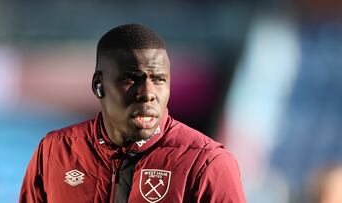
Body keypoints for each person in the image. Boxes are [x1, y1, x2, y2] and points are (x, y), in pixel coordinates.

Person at [19, 23, 246, 203]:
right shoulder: (54, 151)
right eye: (131, 79)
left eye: (159, 80)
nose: (148, 93)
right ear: (99, 85)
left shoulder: (207, 163)